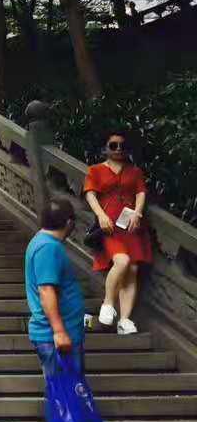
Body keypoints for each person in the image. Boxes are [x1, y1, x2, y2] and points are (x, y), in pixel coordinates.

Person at [26, 198, 122, 422]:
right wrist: (59, 330)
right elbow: (46, 291)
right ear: (69, 223)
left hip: (65, 333)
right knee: (61, 398)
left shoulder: (46, 244)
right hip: (54, 337)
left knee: (74, 395)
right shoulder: (47, 248)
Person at [83, 131, 150, 335]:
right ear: (105, 148)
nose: (118, 149)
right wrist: (101, 216)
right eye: (113, 145)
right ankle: (108, 304)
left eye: (122, 145)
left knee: (133, 270)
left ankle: (124, 320)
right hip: (110, 226)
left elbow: (140, 192)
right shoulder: (95, 170)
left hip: (130, 225)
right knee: (122, 262)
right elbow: (90, 194)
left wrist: (137, 213)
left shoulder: (135, 171)